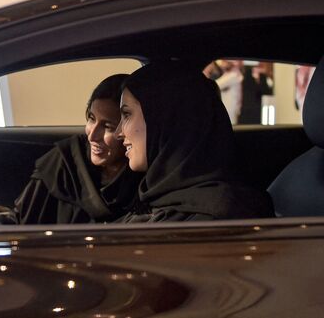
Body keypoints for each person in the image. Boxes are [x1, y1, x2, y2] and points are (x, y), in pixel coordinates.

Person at [115, 62, 273, 223]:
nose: (118, 133)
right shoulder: (157, 201)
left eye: (127, 114)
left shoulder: (217, 217)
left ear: (167, 121)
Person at [15, 74, 142, 224]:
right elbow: (20, 225)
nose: (92, 136)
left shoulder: (144, 180)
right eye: (91, 118)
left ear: (128, 129)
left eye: (108, 126)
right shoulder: (64, 162)